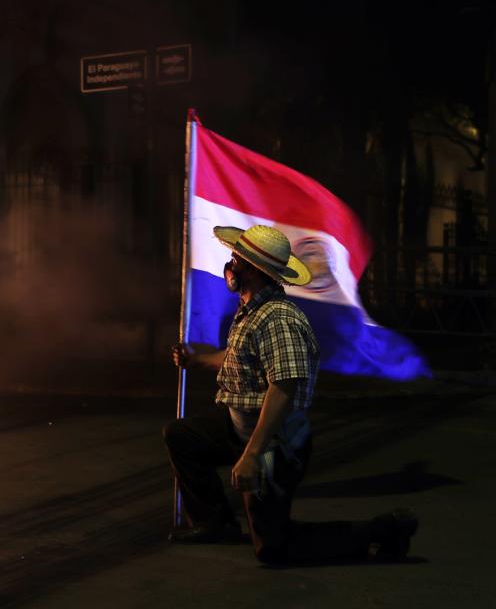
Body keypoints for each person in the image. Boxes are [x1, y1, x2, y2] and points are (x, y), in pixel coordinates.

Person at [163, 224, 418, 564]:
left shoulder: (278, 319)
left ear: (255, 270)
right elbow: (238, 356)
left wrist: (252, 455)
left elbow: (283, 387)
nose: (231, 264)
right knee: (182, 436)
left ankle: (382, 532)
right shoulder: (251, 309)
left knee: (273, 548)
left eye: (237, 259)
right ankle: (215, 524)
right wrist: (196, 361)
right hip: (243, 429)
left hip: (273, 443)